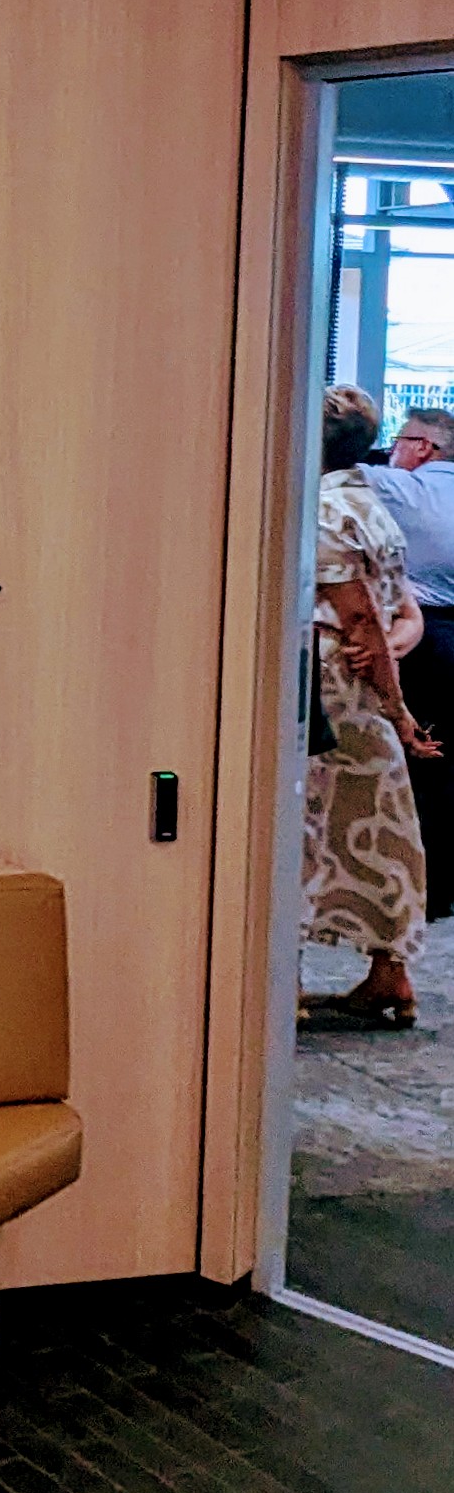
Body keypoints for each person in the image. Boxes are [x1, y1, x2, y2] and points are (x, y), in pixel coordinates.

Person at [303, 387, 440, 1028]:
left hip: (327, 686)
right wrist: (392, 692)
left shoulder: (323, 509)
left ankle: (281, 977)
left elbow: (358, 617)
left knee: (307, 825)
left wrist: (399, 708)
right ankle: (390, 971)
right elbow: (396, 610)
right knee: (377, 823)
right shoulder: (369, 505)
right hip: (359, 687)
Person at [369, 404, 454, 916]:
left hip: (430, 638)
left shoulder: (402, 488)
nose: (392, 450)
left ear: (423, 447)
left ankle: (425, 889)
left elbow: (333, 465)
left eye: (399, 441)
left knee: (423, 756)